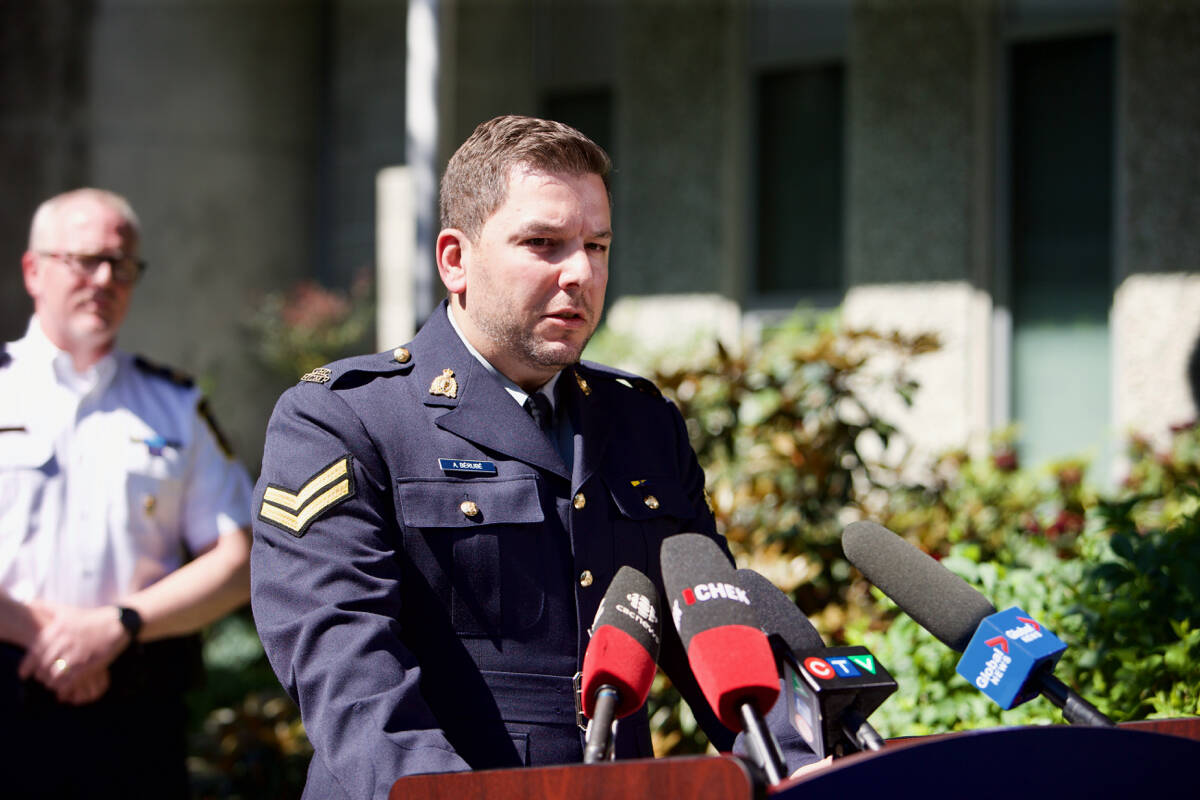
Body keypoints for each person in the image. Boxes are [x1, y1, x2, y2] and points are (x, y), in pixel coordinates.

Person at [250, 115, 817, 798]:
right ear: (455, 260)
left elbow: (714, 631)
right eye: (544, 244)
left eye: (597, 246)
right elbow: (345, 671)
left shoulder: (640, 421)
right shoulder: (345, 419)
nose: (580, 272)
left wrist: (807, 763)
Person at [0, 188, 254, 797]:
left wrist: (119, 625)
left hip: (136, 713)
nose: (106, 278)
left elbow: (238, 556)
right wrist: (40, 632)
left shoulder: (175, 405)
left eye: (123, 264)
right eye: (85, 260)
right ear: (34, 271)